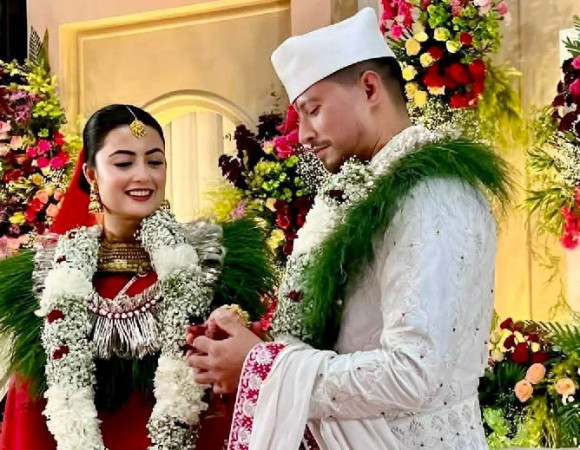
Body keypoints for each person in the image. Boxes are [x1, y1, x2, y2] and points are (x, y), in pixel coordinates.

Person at [187, 8, 512, 449]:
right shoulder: (369, 191)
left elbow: (413, 374)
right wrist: (248, 347)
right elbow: (354, 345)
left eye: (313, 110)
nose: (304, 134)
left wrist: (262, 366)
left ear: (369, 88)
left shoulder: (430, 193)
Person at [0, 104, 274, 450]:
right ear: (91, 174)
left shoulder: (213, 268)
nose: (143, 176)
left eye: (154, 161)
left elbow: (244, 396)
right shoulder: (50, 281)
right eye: (123, 163)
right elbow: (28, 415)